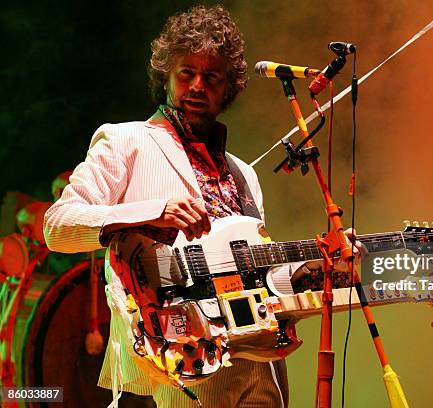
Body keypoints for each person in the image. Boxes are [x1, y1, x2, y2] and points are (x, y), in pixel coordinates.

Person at [43, 5, 332, 407]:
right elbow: (58, 226)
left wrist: (316, 265)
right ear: (166, 77)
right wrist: (150, 212)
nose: (198, 85)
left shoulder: (244, 173)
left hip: (261, 358)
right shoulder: (125, 142)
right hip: (183, 358)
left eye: (211, 76)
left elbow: (258, 272)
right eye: (186, 73)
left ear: (227, 87)